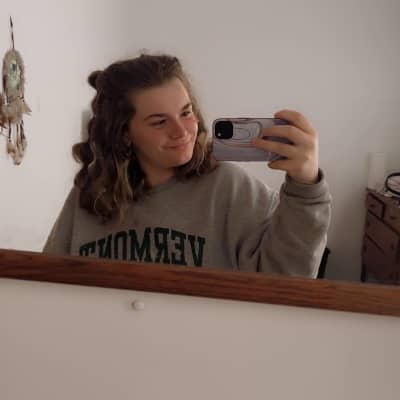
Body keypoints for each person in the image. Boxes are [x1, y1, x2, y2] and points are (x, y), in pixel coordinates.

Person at [43, 53, 331, 277]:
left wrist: (306, 186)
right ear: (124, 133)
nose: (181, 132)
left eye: (186, 112)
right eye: (159, 122)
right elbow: (48, 284)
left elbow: (288, 276)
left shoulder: (228, 188)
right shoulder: (91, 194)